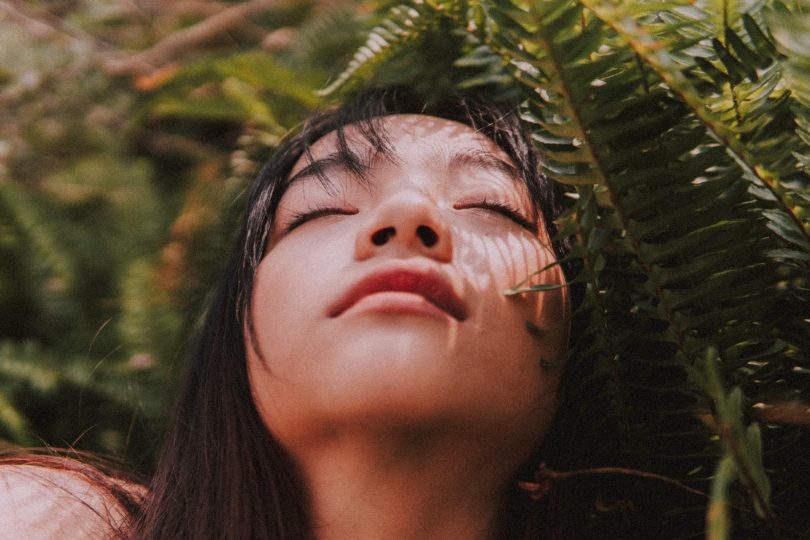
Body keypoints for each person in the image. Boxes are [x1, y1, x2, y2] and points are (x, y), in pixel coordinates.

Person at [1, 87, 576, 539]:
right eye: (322, 209)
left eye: (488, 205)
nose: (407, 214)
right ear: (234, 326)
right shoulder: (53, 521)